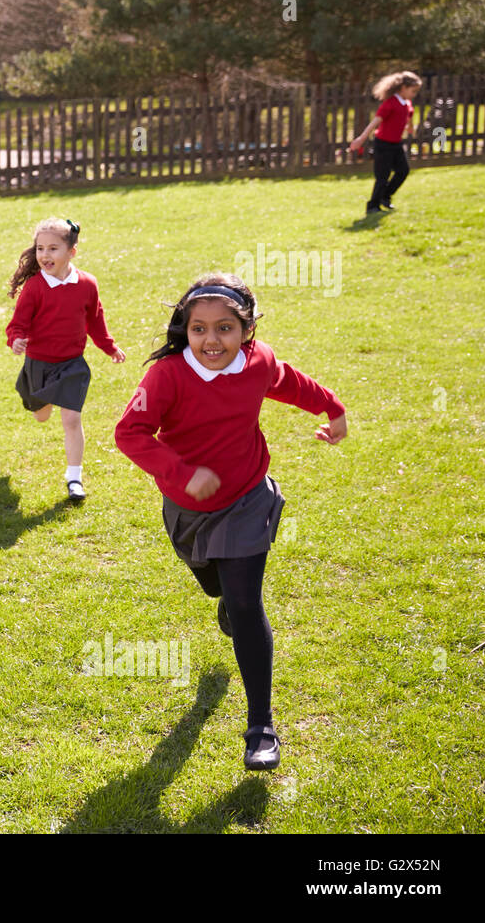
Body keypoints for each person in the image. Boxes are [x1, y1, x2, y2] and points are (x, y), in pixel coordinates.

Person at [113, 274, 348, 770]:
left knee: (245, 603)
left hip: (246, 498)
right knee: (216, 587)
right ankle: (227, 604)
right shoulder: (168, 376)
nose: (211, 340)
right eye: (198, 329)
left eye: (225, 328)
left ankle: (260, 726)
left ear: (248, 329)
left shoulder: (257, 362)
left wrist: (333, 408)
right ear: (185, 328)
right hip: (187, 510)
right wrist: (180, 473)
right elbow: (129, 433)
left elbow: (288, 381)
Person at [6, 217, 126, 502]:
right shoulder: (34, 287)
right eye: (40, 249)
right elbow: (17, 324)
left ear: (72, 251)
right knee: (41, 414)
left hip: (72, 363)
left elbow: (95, 320)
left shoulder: (87, 284)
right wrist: (16, 340)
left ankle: (74, 478)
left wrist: (109, 347)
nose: (45, 256)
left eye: (53, 249)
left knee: (71, 419)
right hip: (39, 362)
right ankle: (39, 398)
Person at [350, 70, 422, 214]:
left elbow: (409, 115)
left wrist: (410, 127)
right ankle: (372, 206)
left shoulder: (406, 103)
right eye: (413, 91)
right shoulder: (390, 103)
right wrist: (361, 138)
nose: (414, 95)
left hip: (396, 144)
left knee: (403, 171)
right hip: (383, 144)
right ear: (403, 88)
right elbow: (375, 122)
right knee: (382, 177)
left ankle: (385, 197)